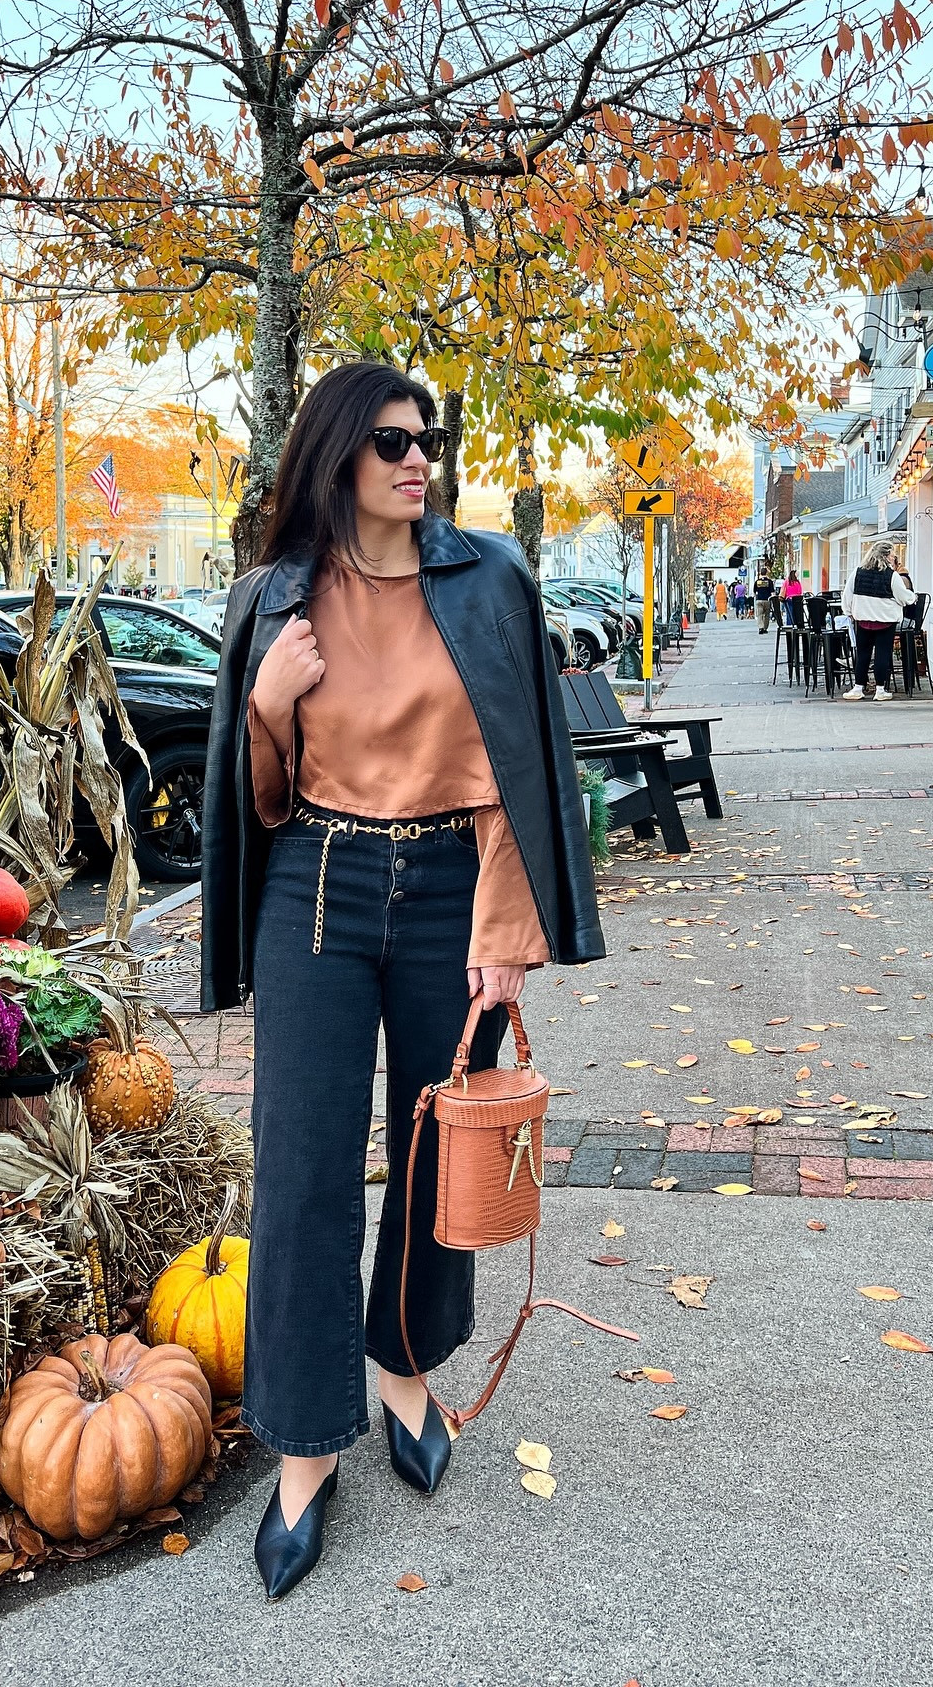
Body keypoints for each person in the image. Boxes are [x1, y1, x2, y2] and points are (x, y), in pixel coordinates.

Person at [201, 362, 604, 1601]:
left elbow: (515, 771)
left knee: (439, 1153)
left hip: (447, 890)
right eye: (389, 441)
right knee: (306, 1162)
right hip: (314, 888)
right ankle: (307, 1445)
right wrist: (268, 706)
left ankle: (405, 1365)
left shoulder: (487, 581)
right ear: (337, 456)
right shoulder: (276, 600)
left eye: (427, 439)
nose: (416, 459)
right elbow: (258, 798)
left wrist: (502, 930)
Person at [840, 540, 915, 701]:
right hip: (885, 620)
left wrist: (849, 611)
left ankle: (858, 688)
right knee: (882, 654)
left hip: (863, 619)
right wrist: (912, 597)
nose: (893, 557)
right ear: (887, 556)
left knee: (863, 654)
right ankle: (880, 690)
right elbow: (903, 597)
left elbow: (847, 595)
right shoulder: (892, 576)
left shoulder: (858, 572)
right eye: (893, 555)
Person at [753, 567, 775, 633]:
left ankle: (760, 627)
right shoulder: (769, 582)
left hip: (759, 600)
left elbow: (754, 591)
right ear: (766, 573)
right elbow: (772, 592)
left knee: (759, 615)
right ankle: (765, 628)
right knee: (767, 615)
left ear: (760, 573)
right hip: (767, 600)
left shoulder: (757, 582)